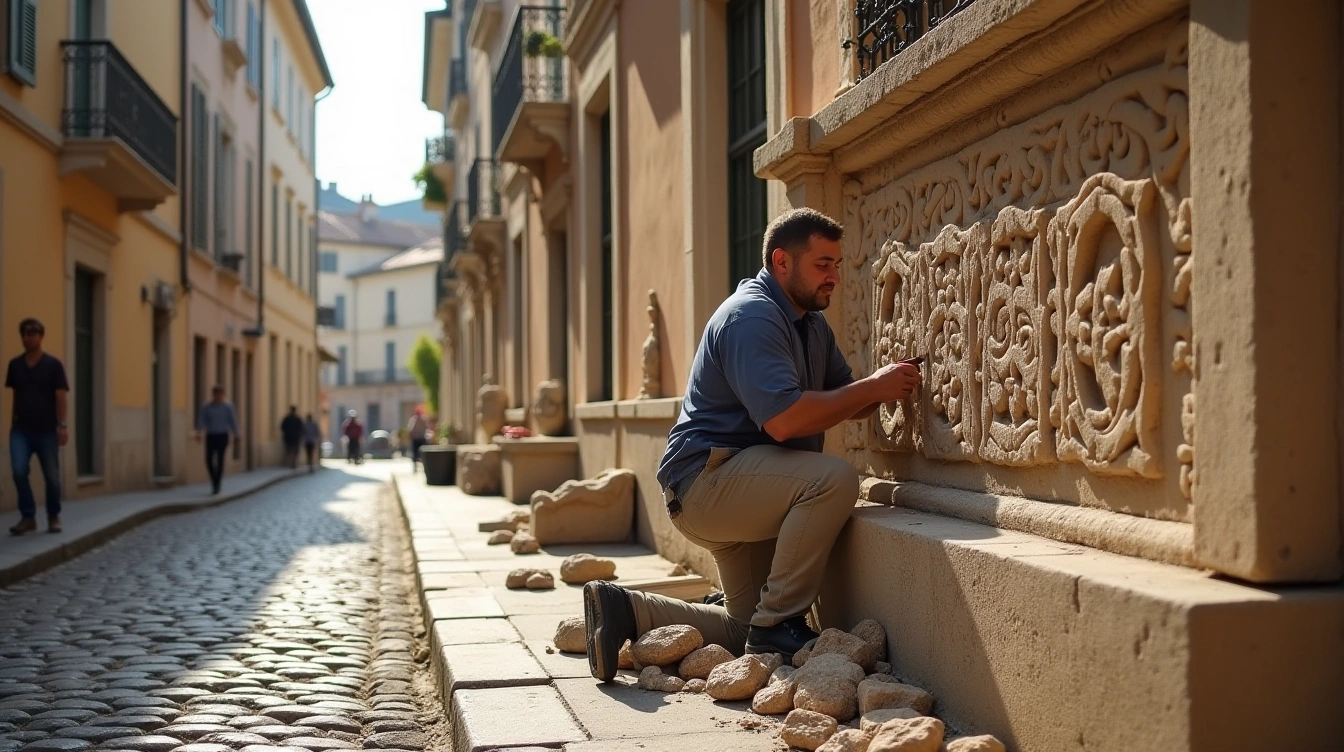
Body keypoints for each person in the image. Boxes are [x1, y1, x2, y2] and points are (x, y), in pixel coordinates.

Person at [581, 208, 922, 681]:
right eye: (823, 265)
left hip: (742, 484)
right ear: (782, 261)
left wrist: (884, 386)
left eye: (837, 265)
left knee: (745, 629)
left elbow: (844, 398)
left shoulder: (810, 324)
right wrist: (873, 388)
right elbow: (784, 421)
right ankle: (781, 621)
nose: (835, 277)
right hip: (706, 483)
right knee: (833, 479)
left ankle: (626, 609)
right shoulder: (751, 317)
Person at [6, 318, 70, 536]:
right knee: (18, 471)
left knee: (52, 476)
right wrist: (13, 424)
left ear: (41, 336)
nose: (28, 337)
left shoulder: (53, 365)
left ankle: (53, 515)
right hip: (20, 430)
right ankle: (28, 517)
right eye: (24, 334)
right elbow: (16, 395)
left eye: (32, 333)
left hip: (47, 431)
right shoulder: (15, 365)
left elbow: (61, 397)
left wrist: (62, 425)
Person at [195, 384, 239, 496]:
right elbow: (202, 420)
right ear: (213, 395)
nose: (218, 396)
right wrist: (199, 432)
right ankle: (214, 479)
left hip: (222, 435)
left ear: (223, 395)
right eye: (216, 394)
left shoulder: (228, 407)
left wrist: (236, 434)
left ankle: (217, 484)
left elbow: (232, 421)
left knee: (220, 459)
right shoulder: (207, 407)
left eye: (220, 394)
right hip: (211, 435)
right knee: (208, 460)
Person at [406, 407, 430, 471]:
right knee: (415, 453)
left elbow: (426, 428)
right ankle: (415, 466)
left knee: (421, 453)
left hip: (421, 439)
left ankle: (423, 466)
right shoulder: (414, 420)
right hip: (416, 439)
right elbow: (410, 430)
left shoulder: (421, 419)